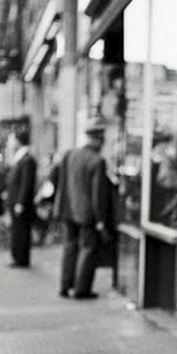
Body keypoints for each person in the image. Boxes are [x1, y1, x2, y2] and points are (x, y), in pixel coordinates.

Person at [53, 117, 111, 299]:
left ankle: (64, 285)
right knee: (87, 249)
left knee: (69, 247)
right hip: (87, 214)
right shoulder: (97, 161)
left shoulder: (70, 154)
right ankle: (81, 288)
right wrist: (101, 220)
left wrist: (59, 207)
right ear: (99, 140)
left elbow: (60, 183)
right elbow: (97, 195)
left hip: (68, 209)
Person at [5, 126, 37, 267]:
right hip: (16, 201)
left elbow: (26, 183)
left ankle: (21, 258)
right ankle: (17, 256)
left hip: (20, 203)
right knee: (17, 230)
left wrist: (20, 202)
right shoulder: (20, 158)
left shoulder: (27, 159)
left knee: (21, 230)